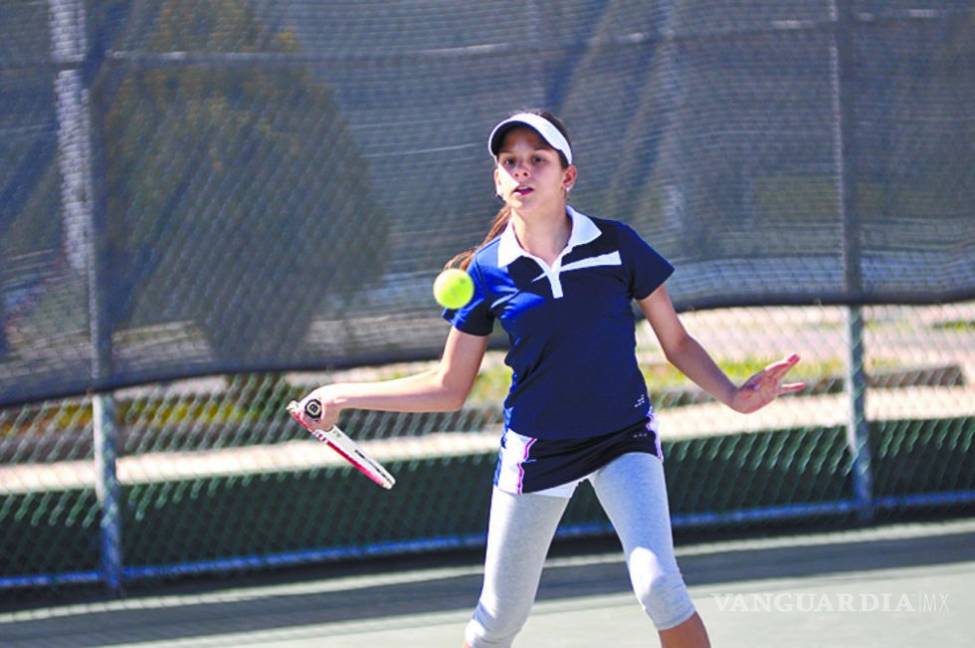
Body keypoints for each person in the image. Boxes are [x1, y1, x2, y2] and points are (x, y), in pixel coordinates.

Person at [295, 110, 805, 648]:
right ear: (497, 181)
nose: (522, 171)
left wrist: (734, 395)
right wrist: (340, 393)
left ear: (567, 176)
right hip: (537, 449)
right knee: (497, 622)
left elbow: (675, 342)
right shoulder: (486, 272)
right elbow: (450, 386)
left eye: (537, 160)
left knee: (660, 586)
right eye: (510, 162)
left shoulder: (617, 244)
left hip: (623, 436)